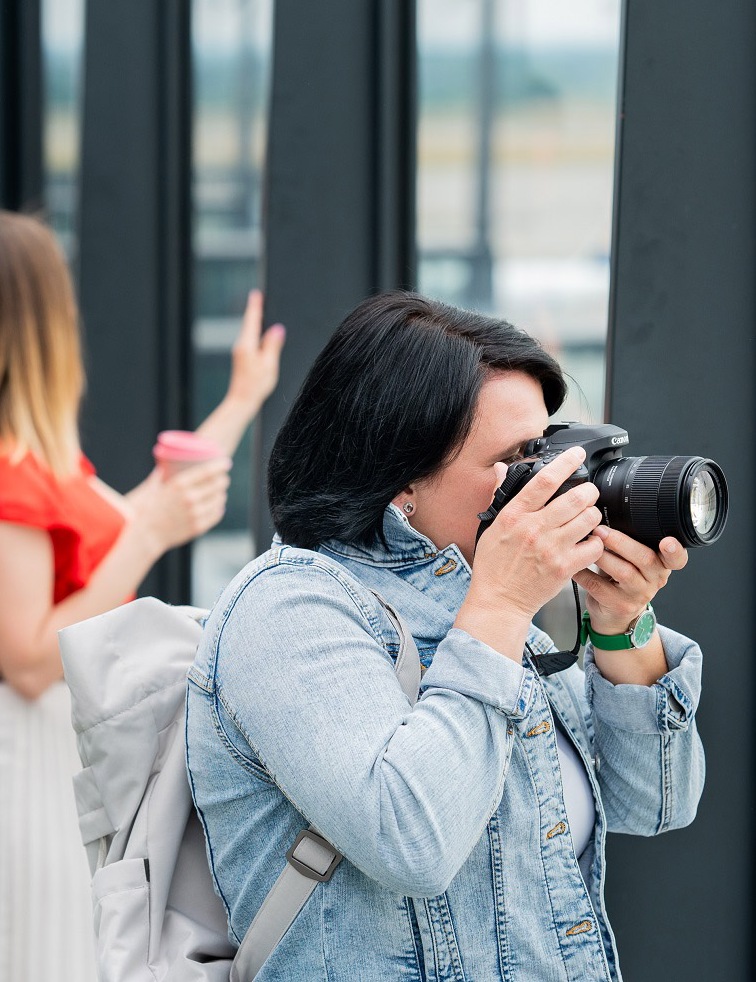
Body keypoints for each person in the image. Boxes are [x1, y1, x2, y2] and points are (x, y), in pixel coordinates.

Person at [185, 291, 705, 981]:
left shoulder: (484, 598)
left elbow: (656, 803)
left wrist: (619, 624)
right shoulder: (290, 607)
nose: (553, 481)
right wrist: (501, 603)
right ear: (401, 475)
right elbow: (412, 841)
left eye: (550, 446)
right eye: (520, 458)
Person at [0, 210, 284, 982]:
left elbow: (133, 518)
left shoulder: (9, 458)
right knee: (20, 953)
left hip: (15, 737)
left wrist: (239, 402)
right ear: (34, 319)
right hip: (11, 738)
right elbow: (33, 658)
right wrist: (152, 531)